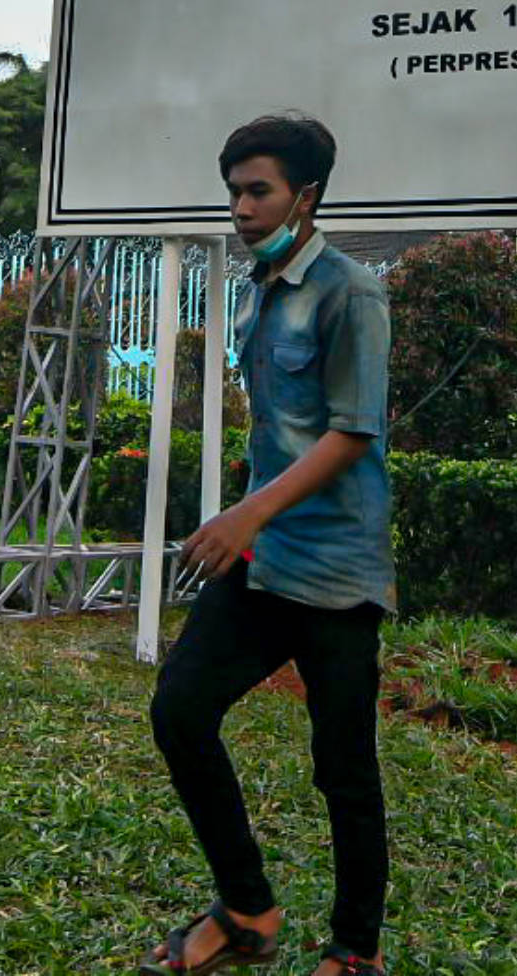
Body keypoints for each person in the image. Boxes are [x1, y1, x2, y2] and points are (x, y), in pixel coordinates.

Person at [144, 113, 392, 976]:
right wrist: (248, 519)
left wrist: (244, 514)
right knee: (180, 711)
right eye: (235, 193)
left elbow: (352, 433)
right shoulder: (257, 290)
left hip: (338, 568)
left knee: (344, 768)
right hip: (265, 559)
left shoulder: (351, 294)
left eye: (259, 191)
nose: (242, 209)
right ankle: (248, 908)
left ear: (306, 196)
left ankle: (356, 952)